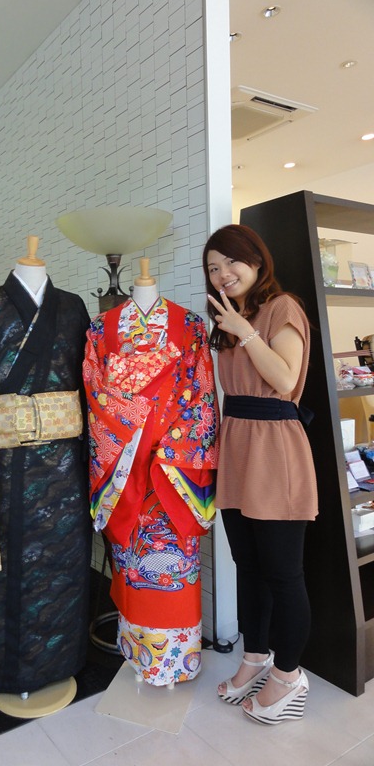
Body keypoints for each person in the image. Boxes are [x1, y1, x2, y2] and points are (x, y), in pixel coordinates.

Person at [0, 237, 92, 701]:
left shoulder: (73, 307)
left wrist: (98, 463)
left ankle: (61, 660)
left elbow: (89, 384)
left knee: (65, 563)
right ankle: (9, 672)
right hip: (5, 463)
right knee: (7, 566)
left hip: (64, 466)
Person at [82, 257, 218, 687]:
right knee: (132, 566)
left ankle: (178, 661)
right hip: (126, 469)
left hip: (171, 470)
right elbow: (94, 392)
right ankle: (139, 655)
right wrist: (139, 432)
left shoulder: (191, 325)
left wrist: (164, 443)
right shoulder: (101, 328)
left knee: (176, 568)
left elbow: (201, 395)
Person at [203, 223, 318, 725]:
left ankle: (289, 677)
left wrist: (245, 331)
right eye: (213, 268)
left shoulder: (281, 308)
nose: (223, 274)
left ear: (255, 260)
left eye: (231, 261)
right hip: (237, 446)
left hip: (275, 448)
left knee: (283, 573)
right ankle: (255, 658)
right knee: (247, 566)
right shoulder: (231, 318)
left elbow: (286, 379)